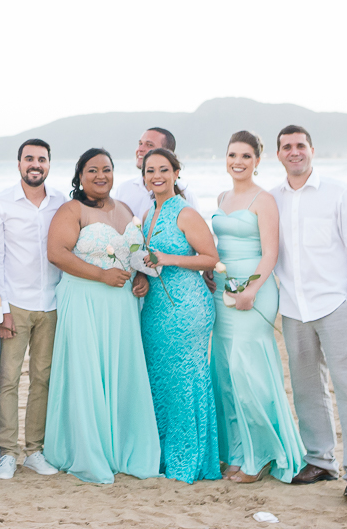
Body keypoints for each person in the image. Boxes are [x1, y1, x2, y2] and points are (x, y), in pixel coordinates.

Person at [271, 125, 347, 502]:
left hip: (336, 305)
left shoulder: (339, 193)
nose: (294, 152)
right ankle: (320, 460)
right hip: (295, 308)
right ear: (278, 154)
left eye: (300, 145)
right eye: (287, 146)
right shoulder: (272, 199)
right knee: (306, 389)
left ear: (312, 150)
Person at [43, 149, 160, 483]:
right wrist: (100, 275)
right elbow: (57, 254)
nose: (100, 176)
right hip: (84, 300)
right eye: (92, 170)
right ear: (80, 176)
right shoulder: (72, 210)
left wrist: (139, 276)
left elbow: (134, 253)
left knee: (121, 372)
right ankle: (89, 450)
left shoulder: (125, 209)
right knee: (87, 372)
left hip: (121, 306)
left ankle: (122, 447)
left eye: (106, 169)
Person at [209, 131, 304, 483]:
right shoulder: (222, 196)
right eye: (233, 154)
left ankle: (262, 454)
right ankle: (236, 452)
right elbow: (219, 245)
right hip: (222, 291)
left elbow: (270, 253)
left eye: (246, 156)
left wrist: (251, 289)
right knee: (226, 374)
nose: (238, 161)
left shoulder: (264, 200)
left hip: (255, 290)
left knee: (249, 372)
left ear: (258, 161)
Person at [136, 149, 221, 483]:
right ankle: (164, 455)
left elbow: (210, 258)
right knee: (161, 382)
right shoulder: (146, 214)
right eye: (150, 170)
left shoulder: (185, 213)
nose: (157, 175)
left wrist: (167, 258)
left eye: (163, 170)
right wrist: (141, 276)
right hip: (155, 307)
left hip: (187, 306)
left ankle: (188, 459)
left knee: (185, 381)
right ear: (143, 176)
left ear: (175, 173)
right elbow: (146, 258)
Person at [0, 139, 67, 480]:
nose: (35, 164)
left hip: (52, 303)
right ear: (19, 163)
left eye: (42, 159)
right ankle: (8, 452)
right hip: (16, 304)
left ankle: (34, 450)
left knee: (43, 380)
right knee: (7, 380)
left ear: (49, 164)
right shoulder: (1, 203)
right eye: (29, 159)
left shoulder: (62, 203)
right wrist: (2, 308)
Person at [111, 127, 198, 218]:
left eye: (149, 145)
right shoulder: (124, 189)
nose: (140, 149)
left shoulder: (187, 195)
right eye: (140, 143)